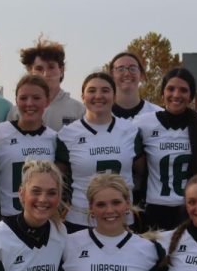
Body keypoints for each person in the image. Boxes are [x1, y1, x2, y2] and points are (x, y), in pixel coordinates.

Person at [55, 71, 142, 231]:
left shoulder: (130, 130)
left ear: (115, 96)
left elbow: (142, 174)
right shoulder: (67, 134)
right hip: (81, 219)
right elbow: (60, 180)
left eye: (105, 90)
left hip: (121, 217)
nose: (98, 95)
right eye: (92, 90)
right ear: (83, 96)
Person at [135, 68, 197, 231]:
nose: (176, 95)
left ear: (191, 96)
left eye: (183, 90)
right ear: (162, 93)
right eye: (171, 89)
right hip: (154, 208)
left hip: (191, 209)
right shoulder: (144, 123)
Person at [0, 74, 58, 218]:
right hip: (7, 219)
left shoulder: (53, 138)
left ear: (47, 101)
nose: (29, 103)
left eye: (36, 98)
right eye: (23, 98)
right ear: (16, 100)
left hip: (42, 219)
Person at [18, 37, 84, 130]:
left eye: (51, 67)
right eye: (39, 69)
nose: (45, 74)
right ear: (30, 71)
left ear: (61, 70)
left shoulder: (78, 110)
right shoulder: (18, 111)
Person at [109, 51, 162, 120]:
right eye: (120, 69)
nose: (127, 74)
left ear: (141, 75)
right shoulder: (97, 116)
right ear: (112, 75)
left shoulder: (158, 115)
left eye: (132, 69)